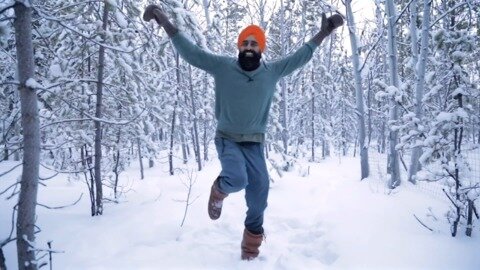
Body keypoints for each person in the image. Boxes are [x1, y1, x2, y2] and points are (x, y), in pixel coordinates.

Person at [143, 4, 343, 260]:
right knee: (237, 179)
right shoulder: (223, 67)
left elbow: (300, 56)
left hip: (255, 144)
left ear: (261, 49)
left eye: (254, 43)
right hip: (227, 139)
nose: (249, 47)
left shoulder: (271, 72)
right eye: (245, 43)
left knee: (260, 193)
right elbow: (192, 53)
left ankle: (250, 250)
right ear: (239, 47)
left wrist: (323, 33)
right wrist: (164, 21)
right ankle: (219, 190)